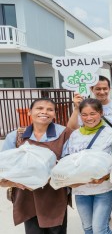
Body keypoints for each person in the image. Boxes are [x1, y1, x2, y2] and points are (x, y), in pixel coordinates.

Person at [0, 98, 73, 233]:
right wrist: (15, 183)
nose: (44, 112)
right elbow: (4, 167)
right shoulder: (16, 136)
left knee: (57, 230)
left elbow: (68, 164)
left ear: (55, 114)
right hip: (26, 196)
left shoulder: (64, 133)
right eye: (39, 108)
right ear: (29, 112)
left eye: (50, 109)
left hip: (54, 194)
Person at [66, 98, 112, 234]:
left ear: (101, 113)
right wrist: (70, 181)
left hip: (104, 189)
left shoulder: (111, 134)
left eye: (93, 113)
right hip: (81, 190)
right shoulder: (74, 135)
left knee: (100, 229)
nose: (89, 118)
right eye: (84, 114)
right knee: (88, 228)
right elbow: (69, 160)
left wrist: (104, 177)